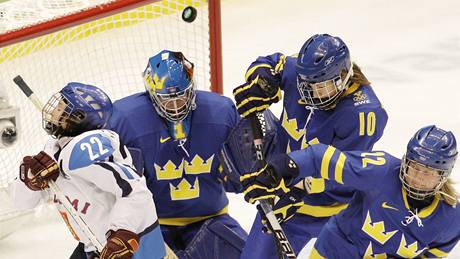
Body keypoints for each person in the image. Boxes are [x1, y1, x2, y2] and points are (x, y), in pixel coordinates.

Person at [233, 33, 388, 258]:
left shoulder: (364, 114)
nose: (311, 94)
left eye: (322, 87)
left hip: (337, 215)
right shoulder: (304, 73)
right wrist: (263, 84)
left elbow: (342, 173)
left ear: (343, 76)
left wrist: (296, 191)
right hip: (284, 188)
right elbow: (270, 63)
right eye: (307, 86)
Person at [108, 50, 247, 259]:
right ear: (152, 94)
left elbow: (242, 174)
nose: (175, 106)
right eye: (166, 100)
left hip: (211, 218)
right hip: (153, 225)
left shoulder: (222, 112)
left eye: (181, 96)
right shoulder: (125, 119)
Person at [242, 125, 460, 258]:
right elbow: (321, 158)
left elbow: (434, 254)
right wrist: (280, 168)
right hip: (335, 250)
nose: (418, 177)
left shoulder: (452, 218)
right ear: (406, 161)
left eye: (429, 173)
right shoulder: (382, 171)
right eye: (416, 167)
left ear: (444, 175)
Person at [13, 83, 166, 259]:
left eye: (60, 107)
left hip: (131, 247)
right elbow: (22, 203)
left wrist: (121, 234)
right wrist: (30, 180)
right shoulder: (53, 149)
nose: (53, 111)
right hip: (93, 246)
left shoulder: (85, 150)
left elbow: (135, 190)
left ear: (76, 118)